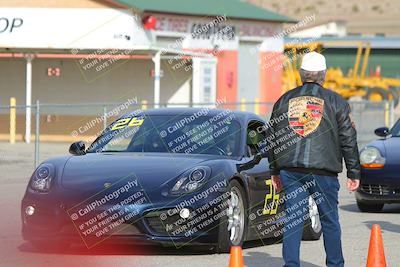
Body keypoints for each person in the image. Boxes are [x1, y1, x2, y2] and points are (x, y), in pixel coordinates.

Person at [266, 51, 361, 267]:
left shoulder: (283, 100)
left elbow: (271, 138)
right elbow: (348, 139)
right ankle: (335, 264)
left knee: (293, 220)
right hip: (323, 172)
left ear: (301, 74)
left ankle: (291, 264)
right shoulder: (336, 101)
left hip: (291, 171)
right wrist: (354, 172)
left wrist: (274, 170)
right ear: (324, 75)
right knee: (329, 221)